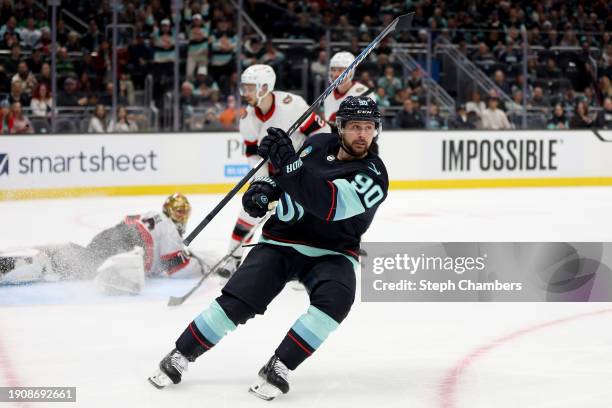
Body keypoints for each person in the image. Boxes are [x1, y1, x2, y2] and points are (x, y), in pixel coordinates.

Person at [148, 96, 389, 401]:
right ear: (340, 127)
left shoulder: (374, 175)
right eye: (355, 127)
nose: (362, 135)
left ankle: (280, 365)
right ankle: (179, 354)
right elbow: (282, 178)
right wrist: (263, 189)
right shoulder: (317, 145)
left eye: (369, 128)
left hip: (332, 252)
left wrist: (288, 165)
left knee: (336, 301)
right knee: (237, 302)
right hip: (281, 242)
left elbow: (325, 204)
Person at [217, 64, 329, 278]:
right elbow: (252, 151)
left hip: (301, 171)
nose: (245, 93)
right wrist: (261, 180)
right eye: (245, 88)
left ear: (265, 87)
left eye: (250, 88)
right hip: (272, 173)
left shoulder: (293, 105)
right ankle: (232, 258)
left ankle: (311, 264)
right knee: (249, 211)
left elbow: (322, 132)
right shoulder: (246, 118)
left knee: (305, 220)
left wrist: (305, 163)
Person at [0, 193, 206, 292]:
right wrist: (202, 266)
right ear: (169, 211)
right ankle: (27, 263)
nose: (182, 216)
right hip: (127, 244)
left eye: (184, 212)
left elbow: (126, 222)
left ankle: (47, 256)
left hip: (116, 235)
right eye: (179, 211)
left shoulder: (151, 215)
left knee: (84, 260)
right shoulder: (169, 227)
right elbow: (176, 269)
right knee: (81, 267)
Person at [323, 51, 374, 125]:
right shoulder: (327, 94)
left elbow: (368, 126)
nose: (336, 74)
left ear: (351, 72)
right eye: (333, 70)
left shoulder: (364, 93)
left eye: (341, 70)